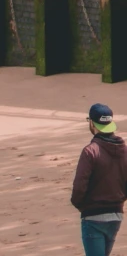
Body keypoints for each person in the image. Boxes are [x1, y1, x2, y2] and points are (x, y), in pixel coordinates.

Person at [73, 101, 127, 255]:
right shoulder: (124, 150)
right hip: (116, 215)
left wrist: (81, 205)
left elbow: (79, 186)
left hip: (93, 217)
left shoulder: (90, 151)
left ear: (92, 123)